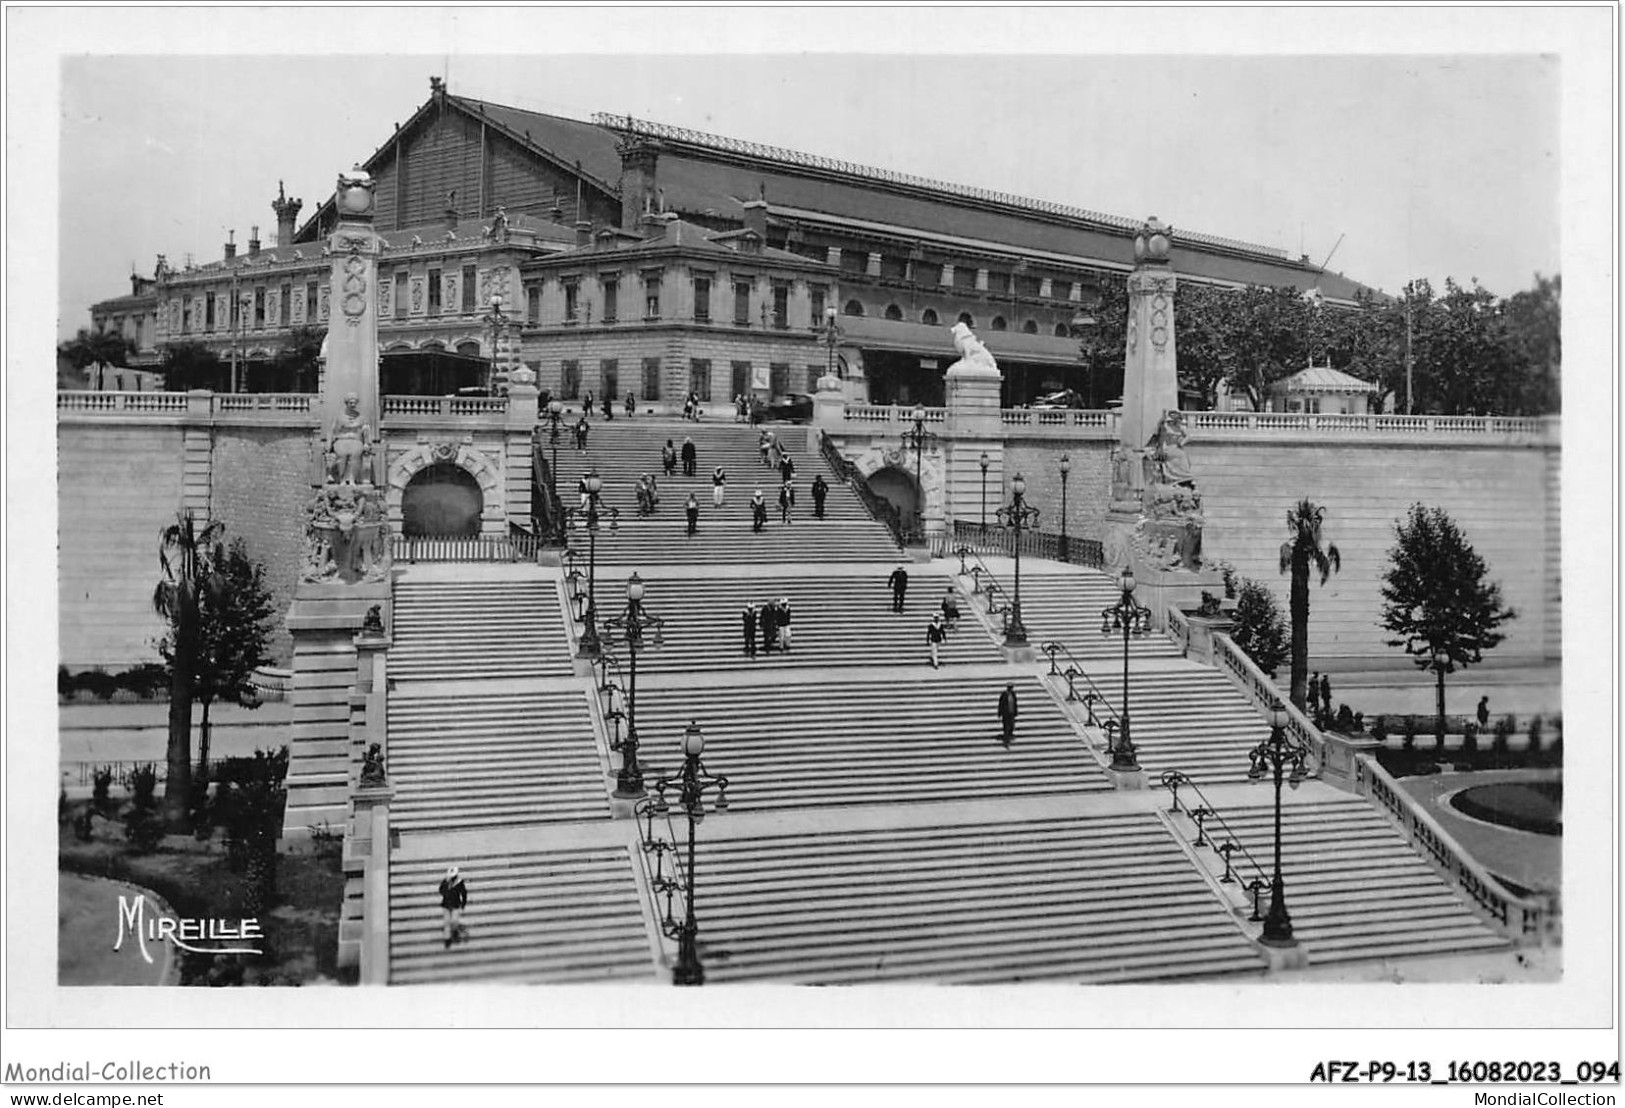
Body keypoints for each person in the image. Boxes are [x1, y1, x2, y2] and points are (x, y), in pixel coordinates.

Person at [438, 865, 468, 948]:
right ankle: (447, 939)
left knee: (454, 921)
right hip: (446, 904)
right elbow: (440, 890)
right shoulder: (445, 881)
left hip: (456, 904)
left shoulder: (460, 882)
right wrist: (447, 888)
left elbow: (464, 893)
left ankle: (454, 933)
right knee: (447, 922)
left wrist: (463, 903)